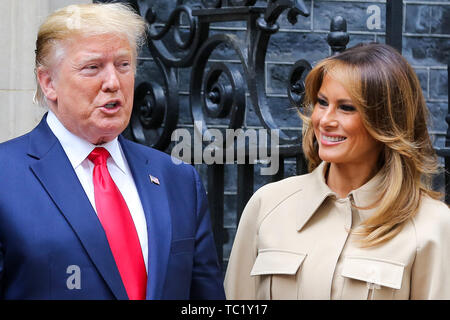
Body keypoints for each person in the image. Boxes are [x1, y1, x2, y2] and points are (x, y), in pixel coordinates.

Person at [0, 3, 225, 300]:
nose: (113, 82)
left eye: (123, 65)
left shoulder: (178, 179)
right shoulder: (7, 175)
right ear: (49, 82)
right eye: (92, 67)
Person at [224, 43, 450, 300]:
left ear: (387, 121)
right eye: (322, 102)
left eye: (346, 107)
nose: (325, 120)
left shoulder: (431, 224)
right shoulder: (267, 205)